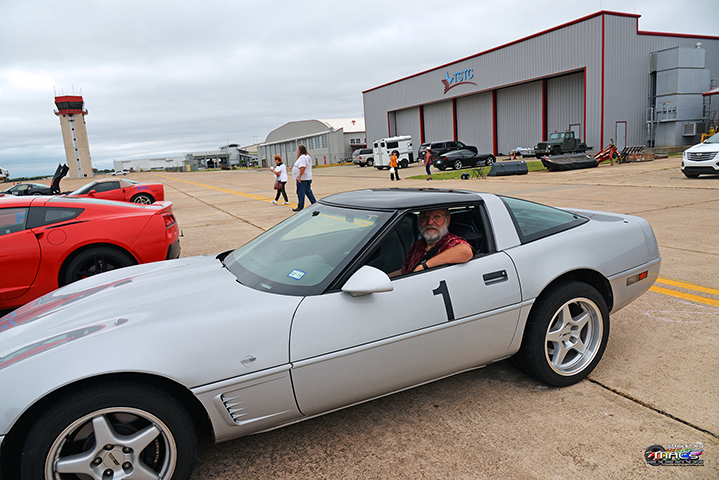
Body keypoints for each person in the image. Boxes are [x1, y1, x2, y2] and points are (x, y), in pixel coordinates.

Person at [399, 209, 473, 275]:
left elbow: (466, 251)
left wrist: (424, 266)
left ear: (447, 220)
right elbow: (405, 271)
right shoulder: (418, 244)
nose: (430, 222)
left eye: (437, 217)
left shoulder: (450, 242)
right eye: (425, 217)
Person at [292, 144, 316, 212]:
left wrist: (299, 176)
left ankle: (300, 206)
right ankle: (315, 204)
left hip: (303, 179)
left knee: (300, 193)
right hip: (307, 178)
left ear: (300, 150)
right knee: (308, 192)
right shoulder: (308, 156)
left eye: (298, 149)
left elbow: (302, 167)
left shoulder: (302, 157)